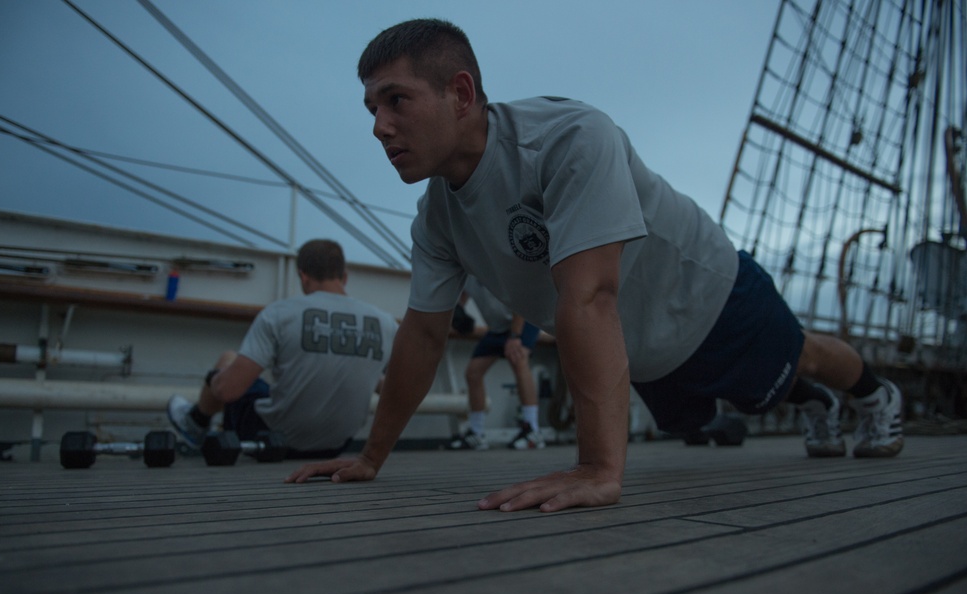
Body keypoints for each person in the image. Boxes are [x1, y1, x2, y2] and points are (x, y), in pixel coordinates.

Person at [285, 19, 904, 511]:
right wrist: (371, 457)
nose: (379, 126)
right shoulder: (435, 218)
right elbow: (423, 333)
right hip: (638, 352)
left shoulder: (568, 138)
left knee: (800, 357)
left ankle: (876, 398)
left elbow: (587, 298)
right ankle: (818, 406)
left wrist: (598, 470)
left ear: (462, 93)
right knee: (754, 398)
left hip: (707, 297)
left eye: (396, 101)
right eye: (371, 109)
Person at [168, 239, 397, 458]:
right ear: (344, 277)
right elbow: (395, 389)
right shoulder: (385, 323)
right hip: (336, 445)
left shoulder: (279, 314)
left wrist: (214, 378)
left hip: (273, 440)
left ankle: (195, 423)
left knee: (229, 359)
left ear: (303, 276)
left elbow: (229, 391)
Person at [448, 275, 545, 451]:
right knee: (473, 373)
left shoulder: (495, 265)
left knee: (518, 360)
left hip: (523, 319)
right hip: (498, 328)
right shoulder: (466, 268)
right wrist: (458, 311)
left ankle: (533, 431)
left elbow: (520, 299)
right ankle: (476, 433)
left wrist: (515, 336)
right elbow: (462, 295)